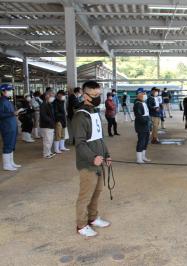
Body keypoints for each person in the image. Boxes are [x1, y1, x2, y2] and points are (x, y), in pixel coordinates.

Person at [72, 80, 112, 237]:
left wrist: (106, 155)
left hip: (99, 160)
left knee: (97, 191)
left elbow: (99, 138)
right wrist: (93, 157)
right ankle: (81, 225)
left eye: (99, 95)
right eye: (94, 95)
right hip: (88, 163)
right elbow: (80, 143)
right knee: (85, 195)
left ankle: (93, 218)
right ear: (84, 94)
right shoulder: (80, 116)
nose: (97, 98)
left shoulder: (94, 112)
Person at [0, 84, 21, 171]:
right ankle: (6, 164)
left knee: (12, 144)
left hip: (12, 125)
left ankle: (11, 162)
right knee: (8, 144)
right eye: (8, 90)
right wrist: (12, 113)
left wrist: (15, 112)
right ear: (3, 91)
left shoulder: (8, 101)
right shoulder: (1, 102)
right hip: (7, 126)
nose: (10, 92)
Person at [133, 88, 151, 164]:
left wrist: (149, 124)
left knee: (146, 141)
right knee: (141, 141)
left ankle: (143, 156)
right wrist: (146, 121)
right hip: (141, 125)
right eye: (144, 94)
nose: (145, 95)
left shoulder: (143, 103)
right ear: (139, 95)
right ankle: (139, 158)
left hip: (146, 125)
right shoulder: (137, 104)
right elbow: (139, 116)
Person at [40, 90, 56, 159]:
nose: (53, 97)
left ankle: (49, 152)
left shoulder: (49, 104)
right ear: (47, 96)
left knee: (50, 140)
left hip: (51, 125)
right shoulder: (43, 104)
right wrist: (51, 121)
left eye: (53, 96)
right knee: (47, 140)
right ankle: (46, 153)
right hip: (46, 125)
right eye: (51, 96)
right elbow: (44, 116)